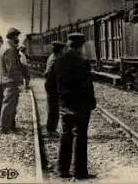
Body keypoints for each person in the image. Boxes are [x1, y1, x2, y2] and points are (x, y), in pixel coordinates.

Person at [55, 33, 96, 179]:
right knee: (80, 136)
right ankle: (80, 171)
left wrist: (61, 99)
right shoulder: (82, 61)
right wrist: (91, 101)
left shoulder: (59, 60)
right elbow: (85, 86)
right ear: (80, 45)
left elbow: (53, 84)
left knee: (66, 135)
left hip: (65, 104)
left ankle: (62, 170)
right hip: (80, 105)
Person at [0, 27, 25, 133]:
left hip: (7, 80)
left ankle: (7, 126)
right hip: (10, 81)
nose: (17, 39)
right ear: (14, 36)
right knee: (9, 104)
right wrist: (19, 82)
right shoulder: (9, 49)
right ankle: (4, 128)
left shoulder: (4, 46)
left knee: (9, 104)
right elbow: (12, 69)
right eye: (17, 37)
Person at [44, 41, 65, 136]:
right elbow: (48, 73)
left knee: (53, 108)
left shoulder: (53, 57)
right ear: (60, 50)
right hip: (53, 87)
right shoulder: (55, 59)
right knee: (53, 109)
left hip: (51, 86)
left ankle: (51, 129)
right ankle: (51, 130)